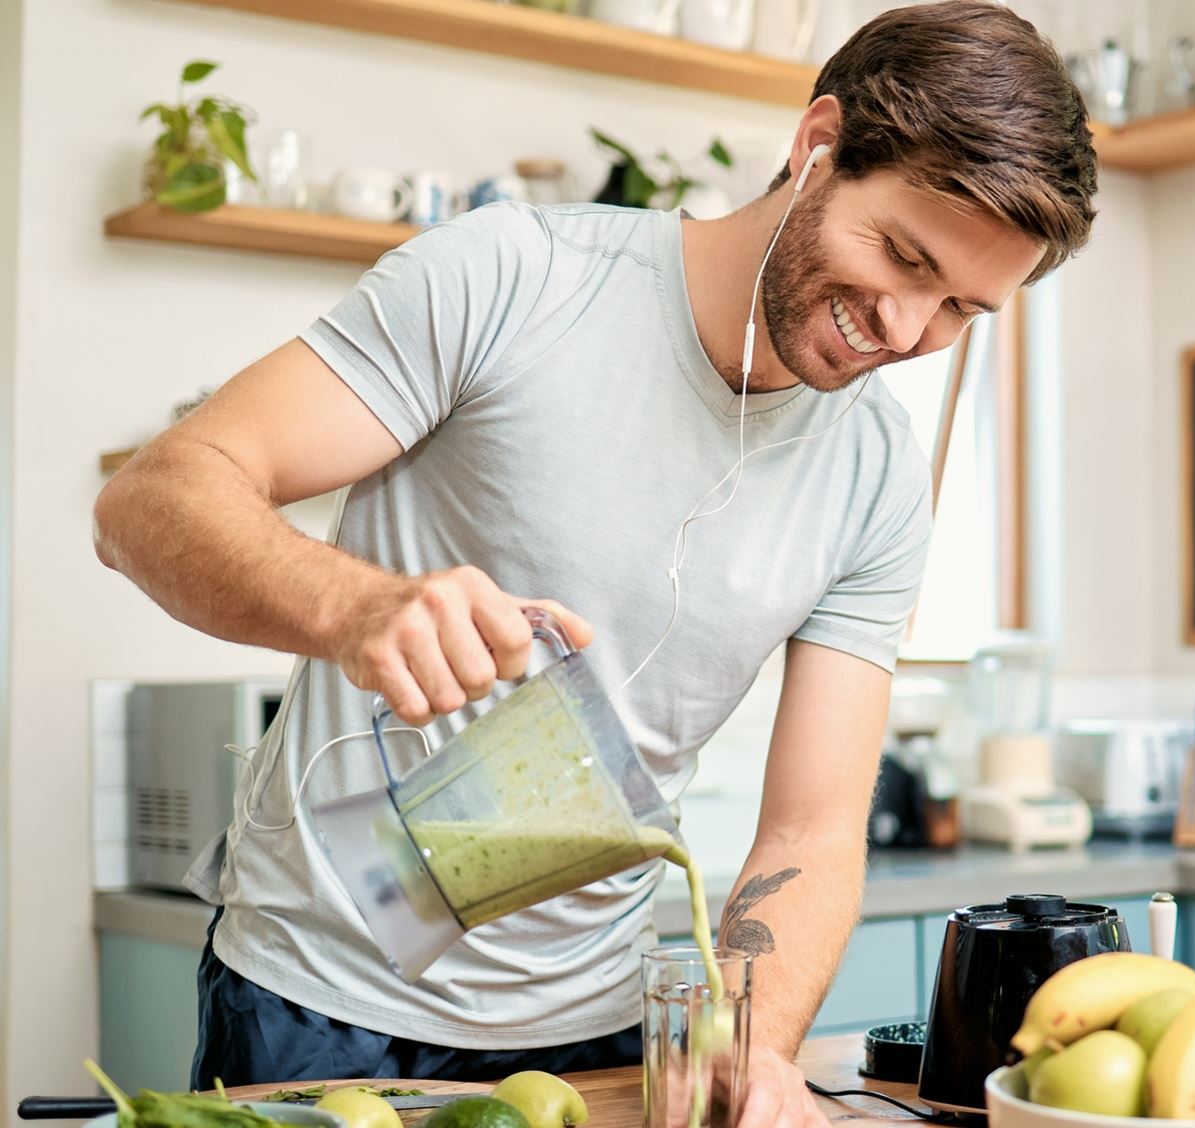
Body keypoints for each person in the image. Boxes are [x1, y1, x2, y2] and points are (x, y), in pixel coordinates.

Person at [91, 2, 1097, 1122]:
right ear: (818, 146)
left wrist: (753, 1049)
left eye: (960, 307)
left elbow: (810, 828)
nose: (905, 329)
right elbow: (147, 501)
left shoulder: (874, 475)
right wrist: (352, 604)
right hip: (314, 1002)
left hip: (598, 1034)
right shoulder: (516, 278)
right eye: (902, 255)